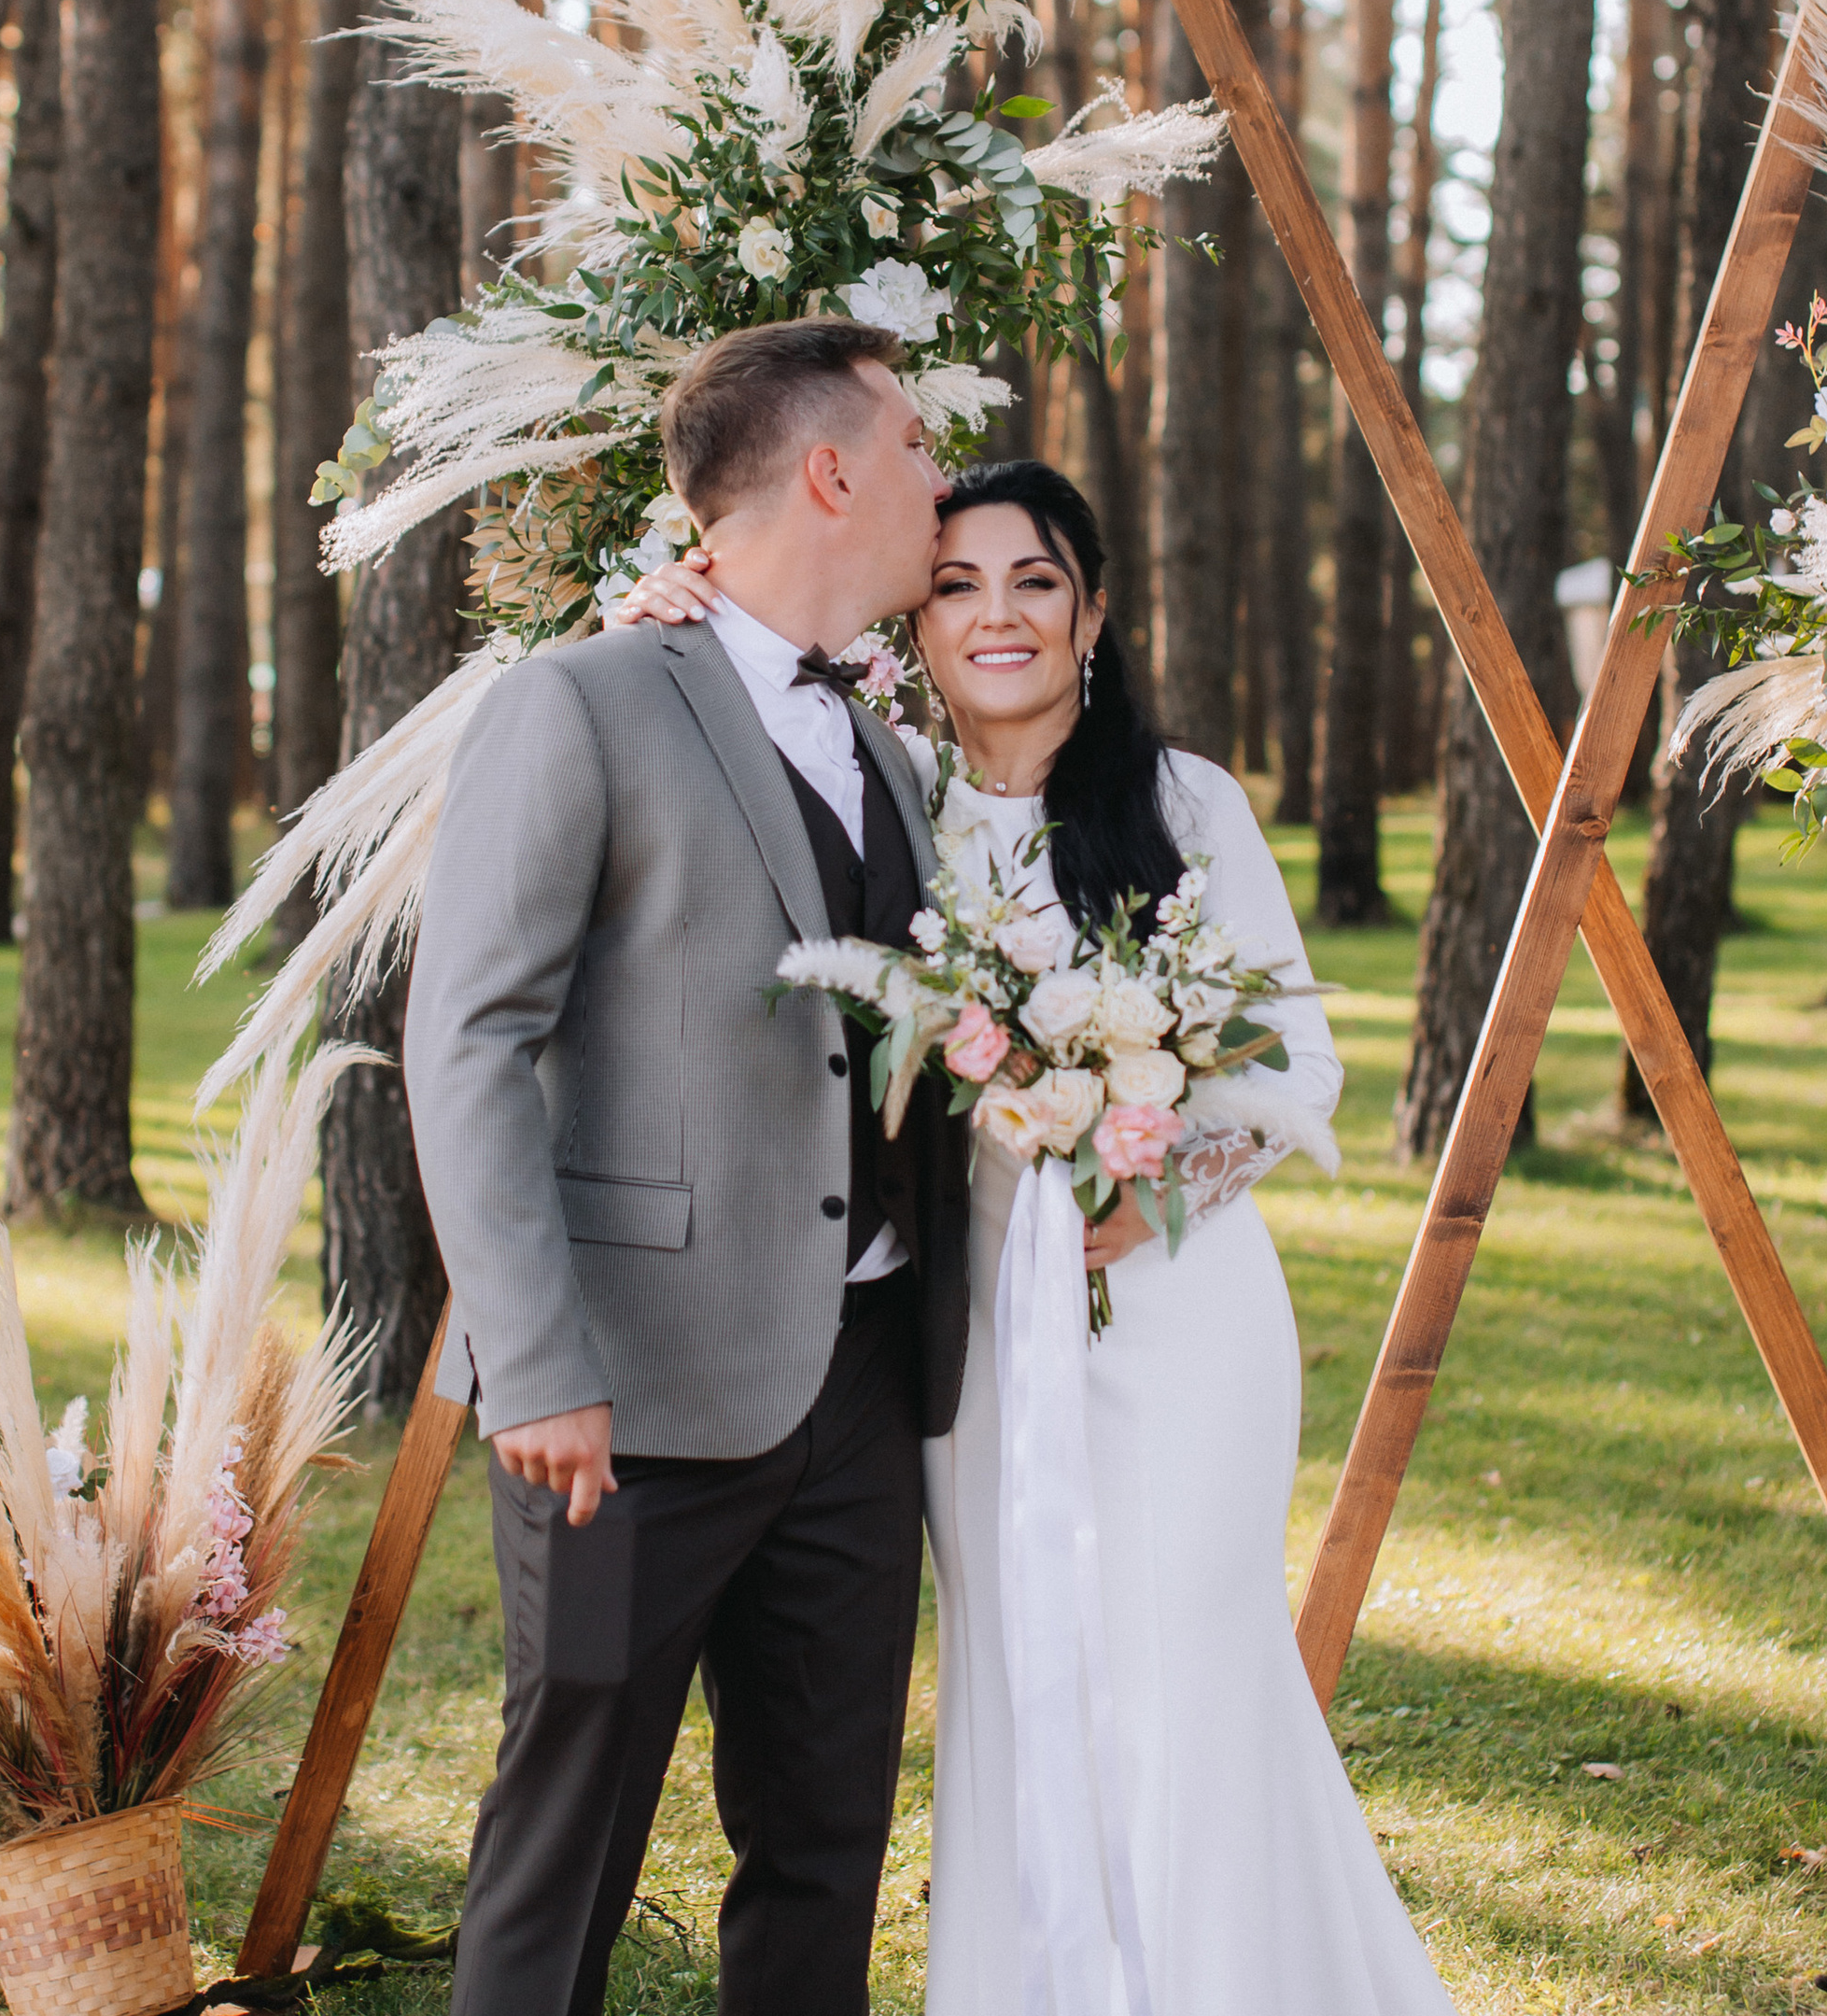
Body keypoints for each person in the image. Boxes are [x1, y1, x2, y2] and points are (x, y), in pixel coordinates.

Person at [615, 458, 1457, 2015]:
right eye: (957, 585)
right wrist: (676, 601)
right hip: (980, 1344)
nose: (996, 614)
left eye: (1035, 582)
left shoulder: (1184, 803)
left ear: (1093, 616)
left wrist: (1158, 1180)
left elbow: (1304, 1069)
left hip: (1182, 1317)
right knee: (1019, 1682)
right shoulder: (891, 805)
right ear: (915, 624)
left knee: (1189, 1671)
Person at [402, 317, 972, 2016]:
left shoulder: (890, 755)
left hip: (860, 1383)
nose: (940, 482)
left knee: (823, 1844)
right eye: (921, 446)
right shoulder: (576, 700)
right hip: (623, 1404)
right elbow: (468, 1041)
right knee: (565, 1846)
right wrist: (539, 1358)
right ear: (832, 470)